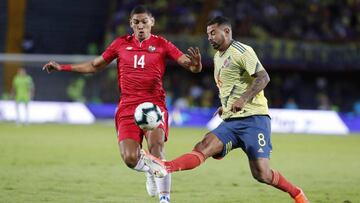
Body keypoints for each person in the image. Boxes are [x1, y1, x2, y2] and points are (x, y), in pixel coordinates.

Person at [42, 5, 201, 203]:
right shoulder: (120, 44)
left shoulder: (162, 44)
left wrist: (195, 65)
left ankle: (164, 198)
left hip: (154, 105)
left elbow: (187, 63)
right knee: (130, 158)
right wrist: (63, 67)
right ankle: (150, 171)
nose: (141, 26)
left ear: (152, 22)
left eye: (144, 21)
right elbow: (94, 65)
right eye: (136, 22)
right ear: (131, 24)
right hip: (128, 107)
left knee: (157, 149)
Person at [141, 16, 309, 203]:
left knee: (262, 174)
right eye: (208, 34)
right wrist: (226, 106)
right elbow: (232, 85)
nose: (210, 37)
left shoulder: (242, 51)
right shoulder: (218, 56)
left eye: (213, 33)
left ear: (227, 31)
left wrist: (243, 99)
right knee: (203, 146)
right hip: (231, 121)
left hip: (255, 120)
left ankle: (296, 193)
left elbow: (263, 77)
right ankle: (165, 166)